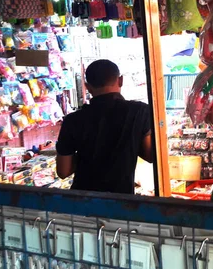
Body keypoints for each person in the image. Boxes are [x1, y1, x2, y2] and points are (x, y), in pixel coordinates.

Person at [55, 59, 153, 194]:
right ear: (120, 81)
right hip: (122, 201)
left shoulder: (72, 120)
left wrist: (90, 153)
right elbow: (151, 156)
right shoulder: (140, 112)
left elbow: (63, 171)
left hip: (83, 200)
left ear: (88, 87)